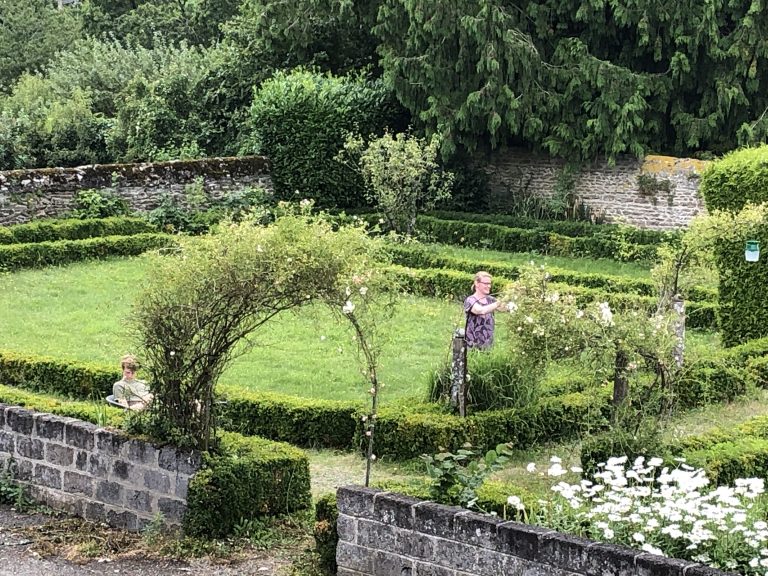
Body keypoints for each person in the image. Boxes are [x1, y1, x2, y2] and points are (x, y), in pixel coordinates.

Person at [464, 271, 503, 349]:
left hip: (488, 346)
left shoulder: (490, 300)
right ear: (477, 283)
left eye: (490, 284)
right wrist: (497, 304)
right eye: (486, 283)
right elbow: (481, 310)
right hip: (472, 346)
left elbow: (504, 308)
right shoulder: (470, 300)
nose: (489, 286)